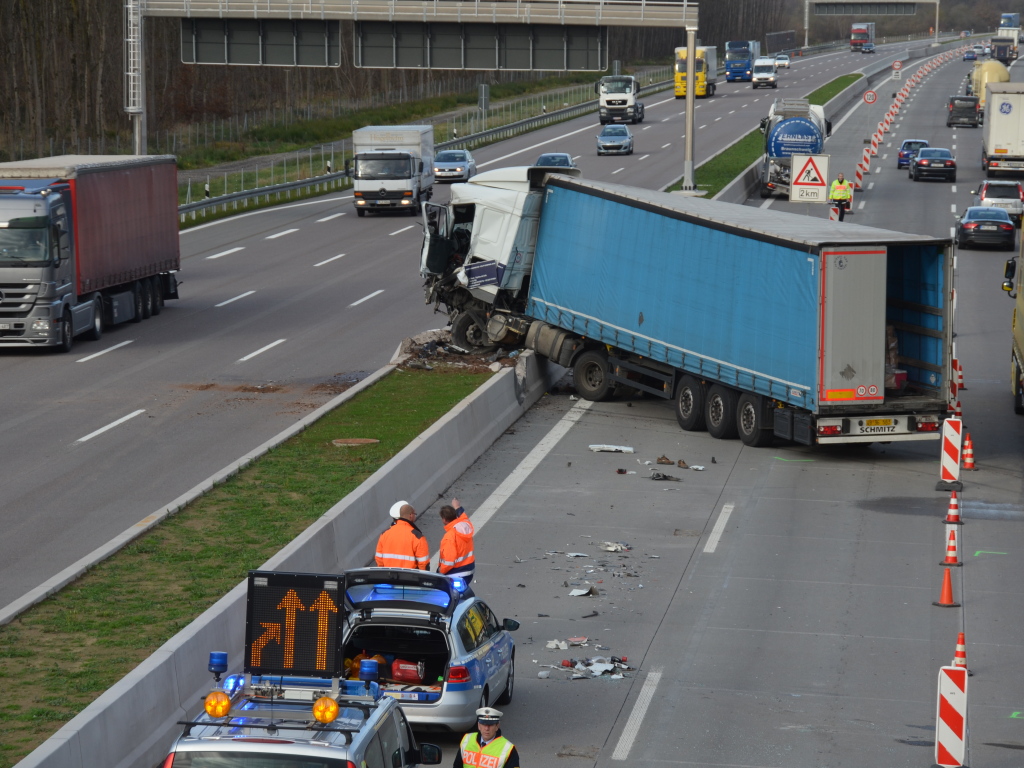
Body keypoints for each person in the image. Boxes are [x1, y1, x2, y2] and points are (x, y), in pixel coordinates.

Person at [453, 707, 520, 768]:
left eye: (490, 725)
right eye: (484, 724)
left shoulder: (508, 749)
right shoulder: (467, 739)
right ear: (479, 725)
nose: (487, 728)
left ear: (497, 726)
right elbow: (457, 765)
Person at [375, 501, 429, 570]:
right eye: (415, 514)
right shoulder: (417, 536)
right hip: (409, 578)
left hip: (389, 577)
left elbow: (379, 559)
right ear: (411, 515)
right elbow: (423, 563)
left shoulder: (385, 534)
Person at [437, 498, 476, 584]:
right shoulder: (465, 525)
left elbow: (449, 561)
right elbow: (464, 517)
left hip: (455, 574)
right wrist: (457, 506)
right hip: (469, 571)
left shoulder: (449, 537)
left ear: (444, 519)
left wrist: (440, 573)